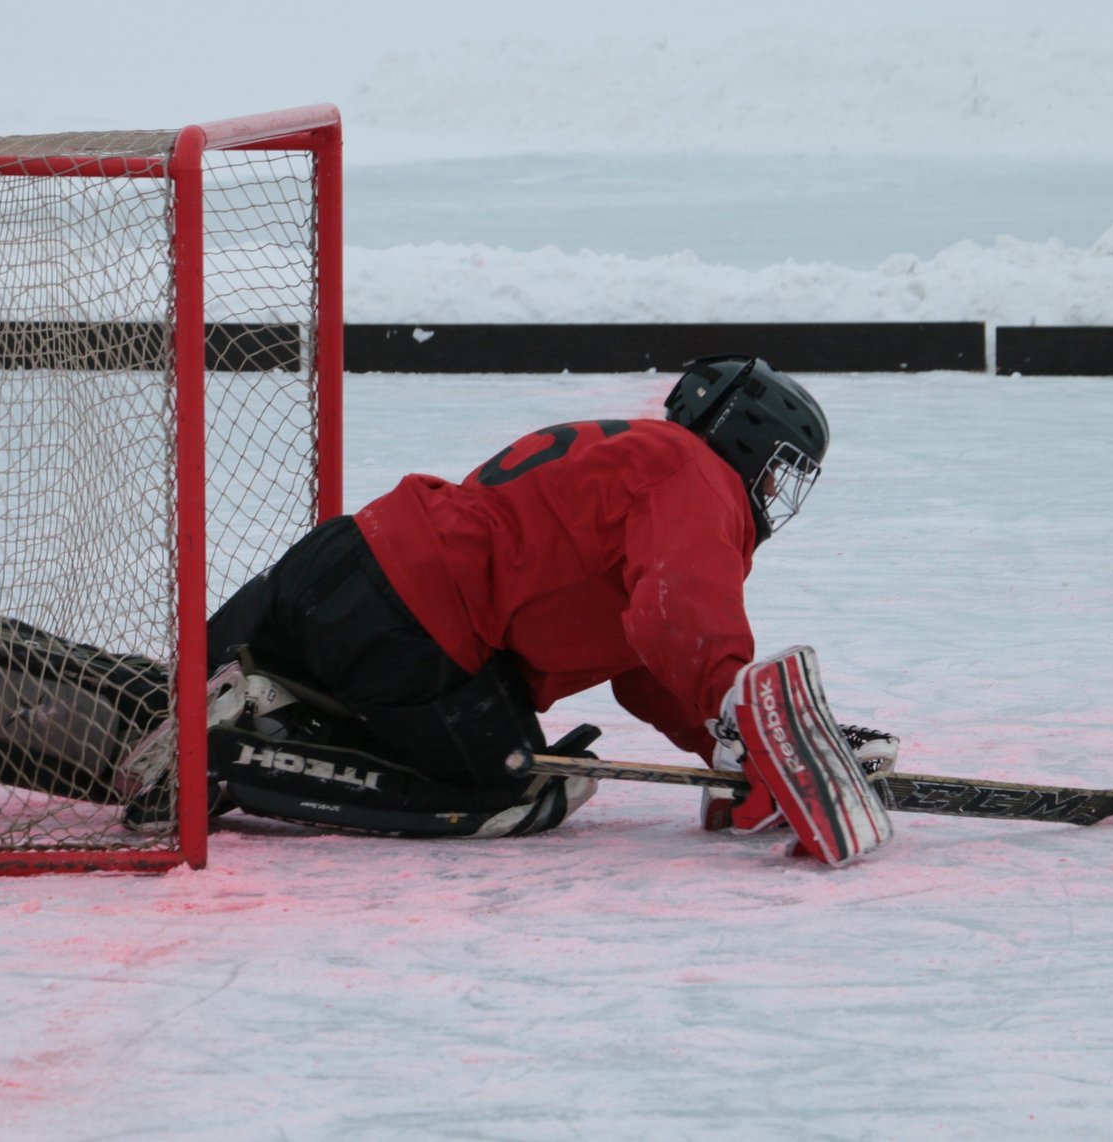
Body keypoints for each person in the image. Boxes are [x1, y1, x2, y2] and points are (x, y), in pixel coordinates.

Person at [192, 354, 894, 854]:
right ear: (745, 436)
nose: (772, 494)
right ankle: (241, 751)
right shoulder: (696, 474)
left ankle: (263, 703)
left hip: (340, 563)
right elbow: (675, 615)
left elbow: (645, 659)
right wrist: (744, 708)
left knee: (164, 698)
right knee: (516, 788)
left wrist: (719, 741)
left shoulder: (642, 454)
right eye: (776, 470)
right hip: (406, 623)